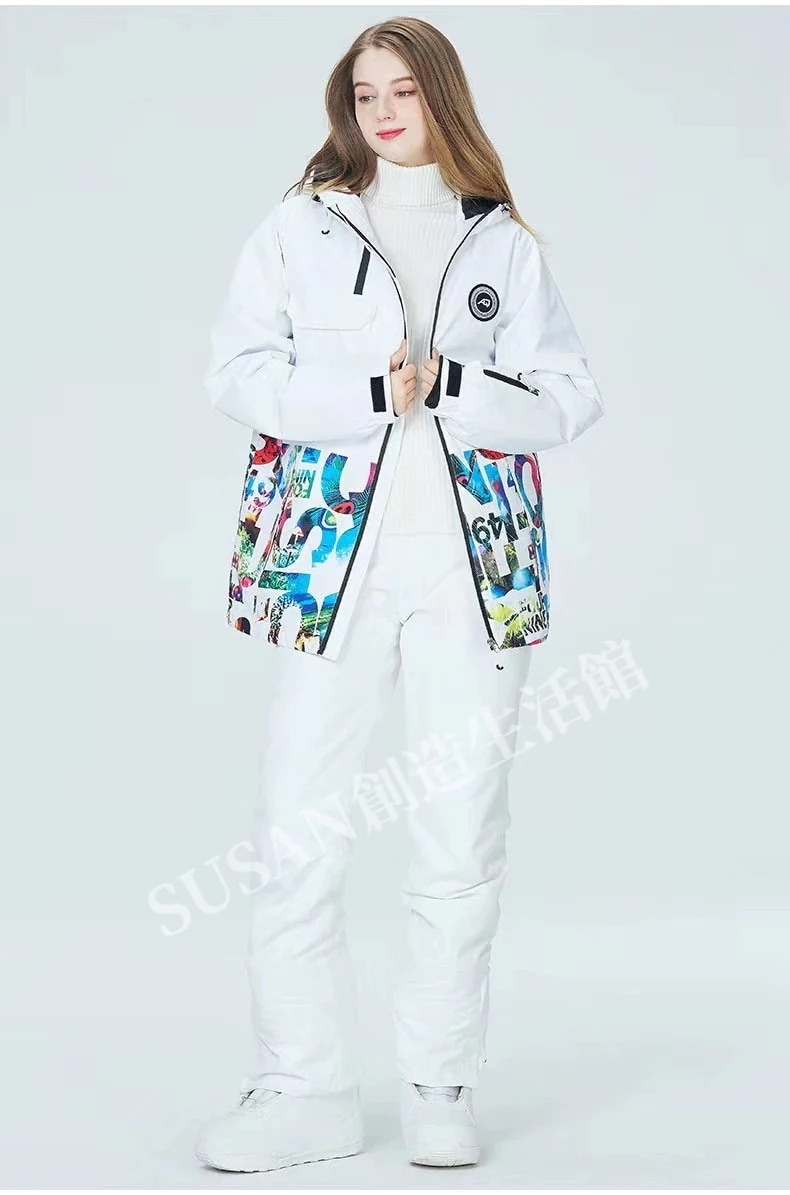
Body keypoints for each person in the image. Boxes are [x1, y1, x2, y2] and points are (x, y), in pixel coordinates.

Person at [195, 15, 604, 1175]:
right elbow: (237, 372)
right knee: (297, 832)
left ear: (442, 98)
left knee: (459, 832)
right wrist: (371, 395)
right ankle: (307, 1088)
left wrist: (456, 387)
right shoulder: (303, 226)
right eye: (364, 91)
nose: (380, 110)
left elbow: (571, 397)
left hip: (474, 573)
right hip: (329, 567)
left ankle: (439, 1086)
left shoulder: (501, 242)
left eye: (403, 89)